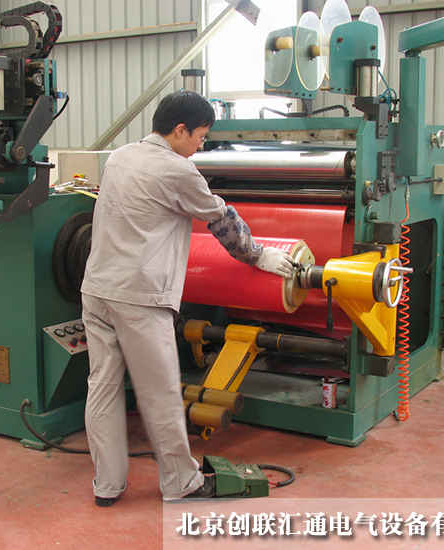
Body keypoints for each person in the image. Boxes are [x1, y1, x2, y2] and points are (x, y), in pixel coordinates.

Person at [80, 90, 294, 506]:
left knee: (102, 387)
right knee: (159, 393)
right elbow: (220, 219)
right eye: (200, 136)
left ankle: (107, 485)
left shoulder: (120, 157)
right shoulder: (178, 171)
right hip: (140, 298)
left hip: (97, 290)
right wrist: (259, 255)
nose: (201, 145)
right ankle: (181, 482)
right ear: (180, 130)